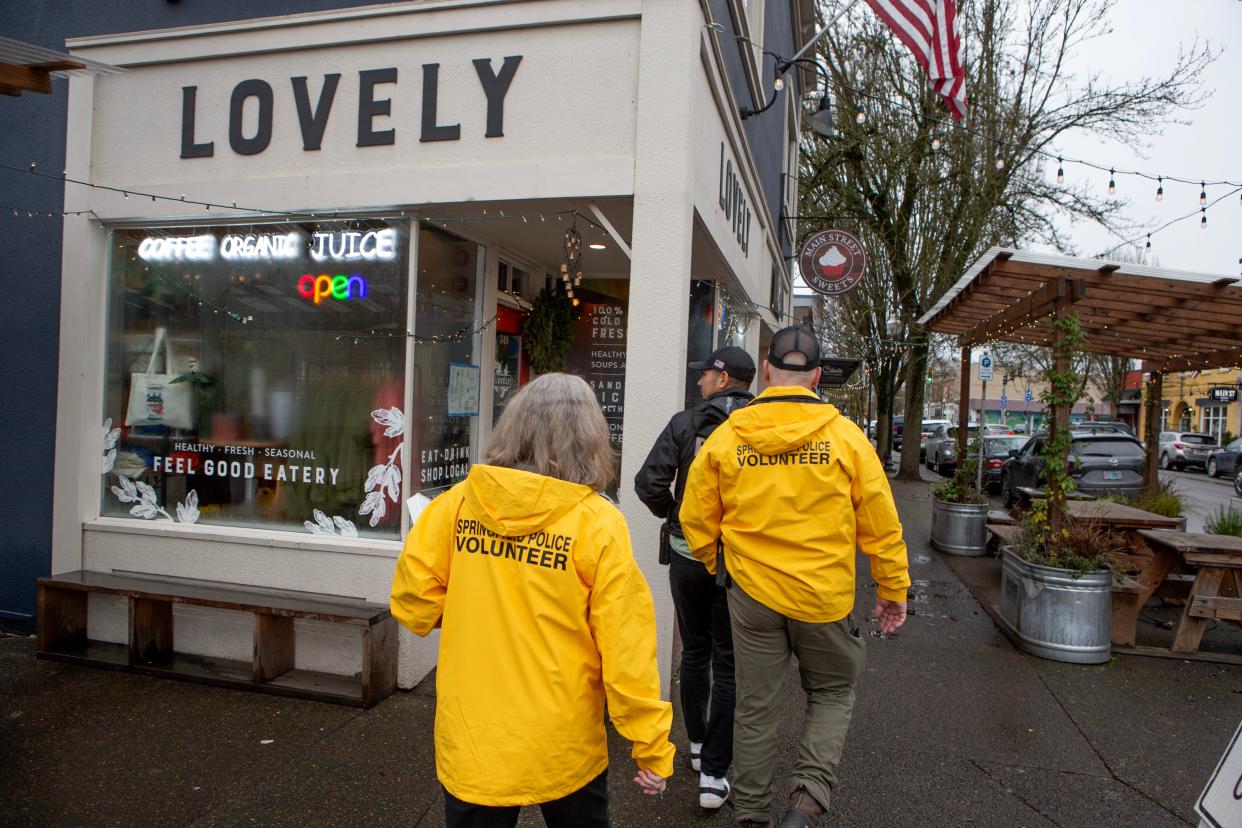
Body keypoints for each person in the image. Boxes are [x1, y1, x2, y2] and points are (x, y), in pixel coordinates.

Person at [390, 373, 674, 828]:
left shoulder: (456, 505)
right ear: (590, 439)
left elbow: (413, 603)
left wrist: (473, 610)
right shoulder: (598, 524)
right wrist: (650, 743)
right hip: (563, 740)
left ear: (514, 426)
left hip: (474, 736)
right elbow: (627, 648)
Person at [680, 326, 911, 828]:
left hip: (752, 596)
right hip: (825, 598)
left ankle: (753, 814)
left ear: (767, 370)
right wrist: (892, 590)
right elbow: (881, 522)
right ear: (818, 376)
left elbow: (696, 515)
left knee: (756, 706)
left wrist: (717, 563)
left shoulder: (729, 436)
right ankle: (806, 802)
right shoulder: (846, 438)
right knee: (831, 693)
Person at [634, 345, 756, 810]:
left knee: (695, 651)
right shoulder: (762, 426)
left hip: (688, 556)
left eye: (705, 375)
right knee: (728, 660)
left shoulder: (685, 423)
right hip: (739, 563)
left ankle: (697, 745)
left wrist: (677, 517)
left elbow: (648, 482)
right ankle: (714, 774)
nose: (700, 382)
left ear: (723, 379)